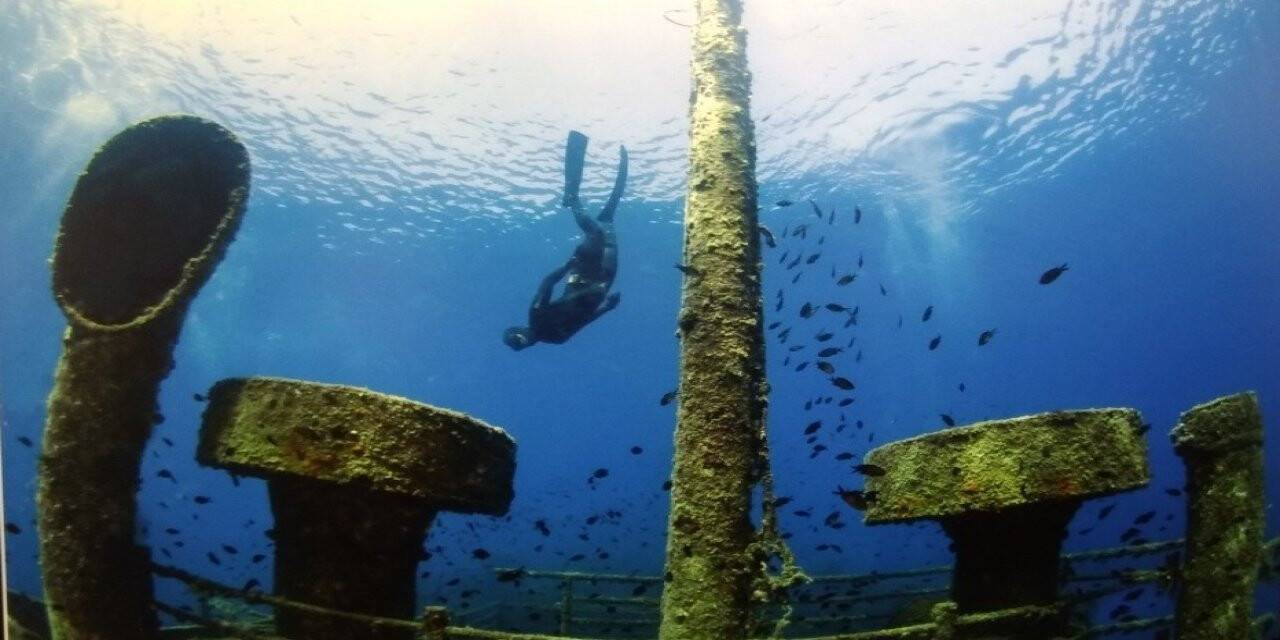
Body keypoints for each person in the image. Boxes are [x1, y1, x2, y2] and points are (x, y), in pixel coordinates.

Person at [504, 131, 628, 350]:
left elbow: (546, 284)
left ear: (519, 329)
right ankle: (589, 193)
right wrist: (607, 308)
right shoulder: (556, 339)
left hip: (582, 276)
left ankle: (572, 200)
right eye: (518, 344)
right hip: (602, 284)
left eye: (517, 337)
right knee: (607, 225)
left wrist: (567, 266)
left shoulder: (536, 315)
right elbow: (584, 322)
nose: (522, 339)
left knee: (596, 233)